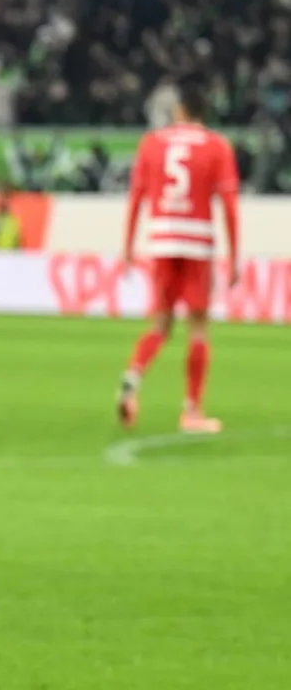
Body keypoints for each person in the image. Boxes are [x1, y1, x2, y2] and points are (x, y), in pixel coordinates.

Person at [118, 81, 239, 433]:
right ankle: (192, 411)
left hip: (161, 240)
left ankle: (132, 377)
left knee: (160, 325)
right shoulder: (217, 146)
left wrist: (128, 247)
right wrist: (234, 256)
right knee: (198, 327)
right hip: (198, 243)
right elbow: (229, 206)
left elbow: (137, 196)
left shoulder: (152, 143)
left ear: (179, 111)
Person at [0, 184, 23, 250]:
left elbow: (18, 240)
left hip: (12, 255)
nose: (1, 201)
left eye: (4, 198)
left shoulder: (14, 218)